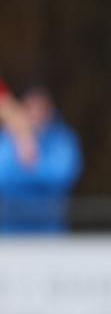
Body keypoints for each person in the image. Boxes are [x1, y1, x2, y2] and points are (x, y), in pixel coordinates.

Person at [0, 84, 81, 233]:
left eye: (41, 108)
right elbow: (2, 177)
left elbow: (62, 176)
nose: (36, 114)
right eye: (31, 108)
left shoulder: (62, 139)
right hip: (9, 233)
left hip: (50, 233)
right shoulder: (6, 139)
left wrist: (30, 164)